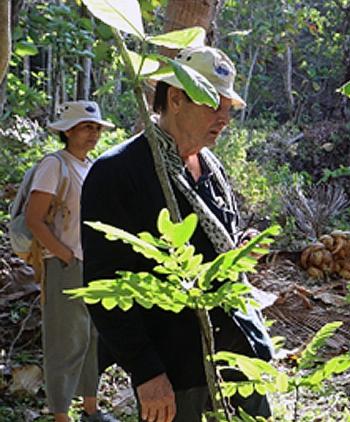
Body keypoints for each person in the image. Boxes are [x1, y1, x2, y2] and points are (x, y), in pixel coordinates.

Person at [81, 46, 273, 422]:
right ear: (176, 99)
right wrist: (146, 371)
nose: (224, 118)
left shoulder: (211, 166)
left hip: (238, 350)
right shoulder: (118, 172)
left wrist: (238, 251)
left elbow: (216, 240)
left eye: (228, 108)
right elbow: (104, 285)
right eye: (213, 104)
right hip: (175, 367)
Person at [27, 101, 117, 422]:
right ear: (67, 131)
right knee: (65, 341)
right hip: (64, 263)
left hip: (91, 264)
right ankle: (61, 414)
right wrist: (64, 255)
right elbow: (34, 218)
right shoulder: (55, 165)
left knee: (91, 337)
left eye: (96, 127)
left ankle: (91, 408)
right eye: (86, 127)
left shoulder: (89, 166)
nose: (94, 133)